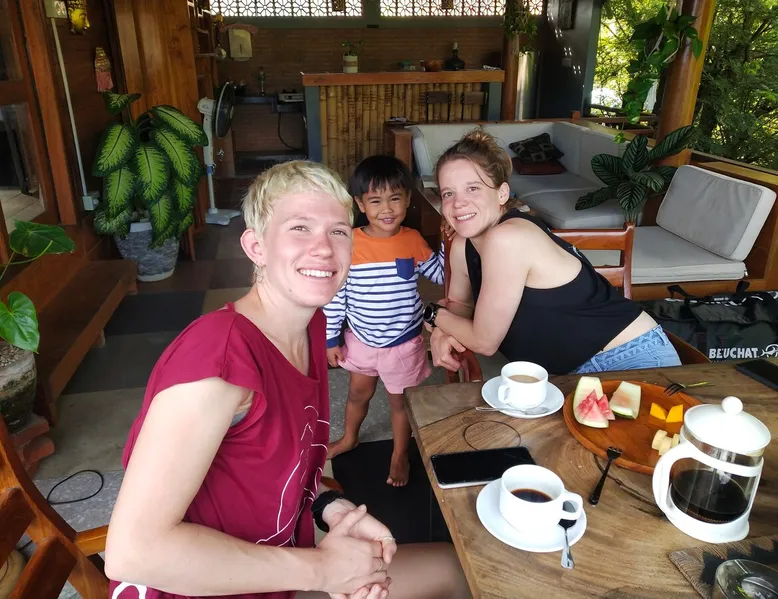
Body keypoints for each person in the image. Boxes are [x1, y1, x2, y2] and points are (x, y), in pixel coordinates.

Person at [104, 160, 469, 599]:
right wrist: (321, 571)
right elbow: (134, 553)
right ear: (256, 246)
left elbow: (280, 469)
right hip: (199, 588)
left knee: (455, 569)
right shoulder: (218, 359)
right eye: (300, 228)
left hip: (278, 570)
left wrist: (328, 505)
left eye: (338, 231)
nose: (324, 248)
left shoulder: (311, 326)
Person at [424, 130, 681, 376]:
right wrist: (440, 331)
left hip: (627, 356)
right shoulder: (463, 244)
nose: (458, 203)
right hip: (562, 374)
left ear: (502, 193)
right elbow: (460, 305)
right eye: (448, 193)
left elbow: (483, 341)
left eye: (473, 188)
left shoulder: (508, 238)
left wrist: (434, 315)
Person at [325, 156, 443, 487]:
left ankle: (399, 454)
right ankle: (350, 438)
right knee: (357, 394)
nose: (387, 208)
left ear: (408, 199)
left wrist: (452, 244)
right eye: (375, 201)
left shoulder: (412, 239)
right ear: (360, 204)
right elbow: (336, 297)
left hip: (403, 343)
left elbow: (439, 275)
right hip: (361, 340)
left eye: (395, 198)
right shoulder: (349, 244)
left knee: (400, 403)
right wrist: (331, 338)